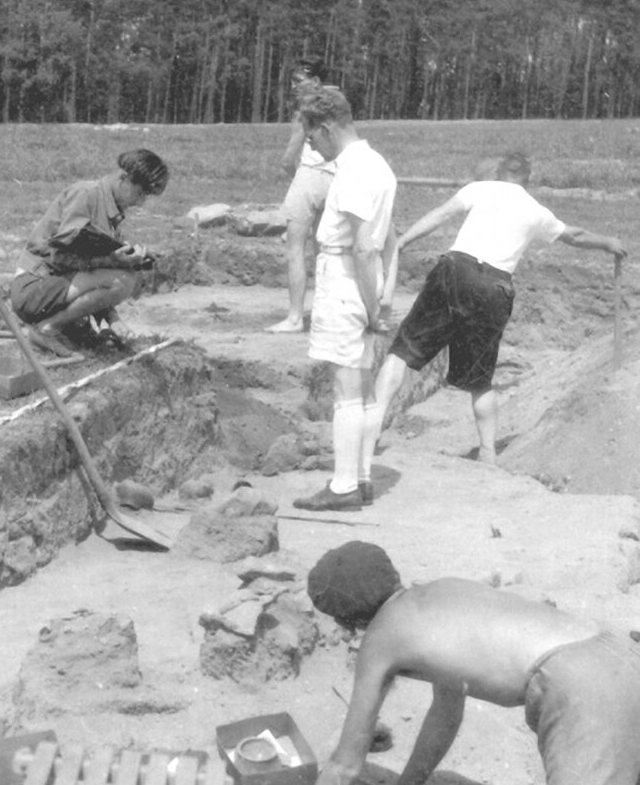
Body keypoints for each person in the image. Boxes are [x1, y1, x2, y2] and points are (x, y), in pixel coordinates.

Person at [307, 541, 640, 785]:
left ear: (347, 617)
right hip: (618, 652)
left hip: (579, 684)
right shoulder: (442, 593)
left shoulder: (380, 637)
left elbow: (344, 765)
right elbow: (446, 714)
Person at [363, 152, 627, 469]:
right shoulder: (535, 209)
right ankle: (488, 452)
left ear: (499, 173)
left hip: (455, 271)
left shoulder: (480, 189)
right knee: (480, 379)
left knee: (402, 353)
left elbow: (439, 215)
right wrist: (607, 242)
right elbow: (575, 235)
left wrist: (402, 242)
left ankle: (371, 429)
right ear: (527, 180)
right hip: (495, 289)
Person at [291, 88, 397, 512]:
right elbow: (389, 240)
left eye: (311, 135)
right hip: (365, 281)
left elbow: (364, 246)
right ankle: (364, 477)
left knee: (345, 387)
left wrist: (373, 307)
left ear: (328, 127)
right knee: (363, 383)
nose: (310, 144)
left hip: (347, 277)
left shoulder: (354, 170)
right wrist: (384, 293)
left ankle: (343, 487)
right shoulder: (378, 165)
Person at [11, 149, 168, 355]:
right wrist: (110, 261)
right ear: (124, 178)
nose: (140, 203)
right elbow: (59, 257)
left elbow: (93, 278)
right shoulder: (86, 195)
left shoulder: (111, 209)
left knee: (127, 273)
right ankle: (47, 329)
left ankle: (59, 326)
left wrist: (111, 321)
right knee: (123, 278)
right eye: (139, 193)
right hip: (33, 288)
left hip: (55, 288)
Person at [266, 57, 336, 334]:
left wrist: (297, 180)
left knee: (295, 250)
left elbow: (287, 159)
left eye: (298, 81)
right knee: (325, 253)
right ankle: (324, 315)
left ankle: (295, 318)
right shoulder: (336, 107)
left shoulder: (304, 112)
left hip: (309, 177)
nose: (293, 87)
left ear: (315, 81)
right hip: (334, 179)